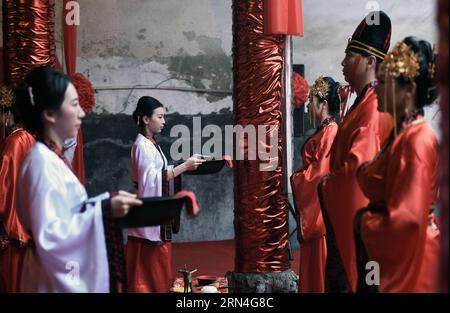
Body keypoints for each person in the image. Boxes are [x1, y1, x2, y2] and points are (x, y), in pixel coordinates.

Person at [14, 66, 142, 292]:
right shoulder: (41, 162)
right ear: (50, 114)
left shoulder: (51, 158)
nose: (82, 113)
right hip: (49, 280)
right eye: (74, 105)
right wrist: (103, 209)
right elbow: (51, 237)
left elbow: (68, 214)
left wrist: (105, 200)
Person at [355, 37, 440, 292]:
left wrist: (363, 223)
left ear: (409, 90)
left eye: (384, 82)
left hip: (411, 260)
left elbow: (406, 223)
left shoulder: (417, 140)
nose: (377, 89)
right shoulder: (402, 133)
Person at [318, 11, 392, 292]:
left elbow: (356, 173)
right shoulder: (362, 104)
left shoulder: (372, 109)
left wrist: (325, 185)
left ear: (370, 62)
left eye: (350, 56)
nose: (342, 62)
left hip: (360, 231)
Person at [125, 96, 205, 293]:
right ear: (145, 119)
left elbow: (159, 174)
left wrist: (184, 166)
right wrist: (184, 166)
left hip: (152, 211)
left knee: (156, 267)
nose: (163, 121)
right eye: (159, 117)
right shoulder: (142, 145)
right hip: (149, 214)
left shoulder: (151, 143)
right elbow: (151, 181)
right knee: (149, 270)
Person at [291, 76, 340, 293]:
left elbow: (319, 174)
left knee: (319, 275)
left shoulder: (330, 133)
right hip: (316, 213)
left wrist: (296, 178)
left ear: (324, 104)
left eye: (312, 101)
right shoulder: (324, 131)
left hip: (319, 218)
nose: (309, 106)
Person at [0, 86, 35, 293]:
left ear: (7, 114)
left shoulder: (14, 141)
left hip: (13, 229)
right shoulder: (28, 137)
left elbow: (3, 187)